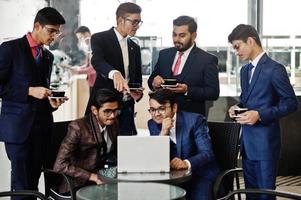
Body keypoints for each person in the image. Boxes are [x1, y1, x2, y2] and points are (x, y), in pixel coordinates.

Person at [0, 7, 66, 198]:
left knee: (35, 181)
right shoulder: (10, 49)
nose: (54, 36)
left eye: (57, 32)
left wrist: (51, 103)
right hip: (18, 129)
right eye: (51, 31)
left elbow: (41, 93)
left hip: (42, 128)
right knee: (21, 183)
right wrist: (29, 91)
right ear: (37, 26)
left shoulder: (48, 56)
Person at [227, 24, 298, 200]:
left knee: (266, 196)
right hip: (247, 145)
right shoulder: (244, 71)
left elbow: (291, 103)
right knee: (250, 195)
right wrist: (236, 107)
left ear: (250, 41)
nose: (236, 52)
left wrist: (260, 114)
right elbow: (246, 100)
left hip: (266, 145)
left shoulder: (275, 69)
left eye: (237, 46)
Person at [147, 89, 220, 200]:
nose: (156, 114)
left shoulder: (195, 120)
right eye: (152, 110)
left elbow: (207, 153)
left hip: (200, 173)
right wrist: (163, 134)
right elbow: (157, 158)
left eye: (161, 109)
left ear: (174, 108)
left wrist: (186, 163)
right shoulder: (152, 124)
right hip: (173, 176)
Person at [86, 2, 143, 135]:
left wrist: (137, 92)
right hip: (105, 107)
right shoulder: (100, 38)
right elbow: (97, 60)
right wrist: (114, 73)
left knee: (126, 150)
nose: (137, 26)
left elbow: (137, 79)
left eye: (139, 22)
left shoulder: (135, 47)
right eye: (134, 22)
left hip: (127, 109)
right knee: (99, 149)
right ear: (120, 20)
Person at [148, 15, 219, 116]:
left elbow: (213, 92)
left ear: (193, 35)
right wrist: (154, 83)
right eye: (174, 35)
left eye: (182, 36)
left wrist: (188, 90)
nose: (176, 39)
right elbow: (151, 80)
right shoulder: (164, 55)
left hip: (192, 121)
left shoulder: (207, 59)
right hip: (163, 119)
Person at [53, 88, 120, 193]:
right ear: (94, 110)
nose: (113, 115)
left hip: (102, 179)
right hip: (77, 184)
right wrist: (93, 177)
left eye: (115, 111)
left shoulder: (113, 124)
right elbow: (59, 165)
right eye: (107, 111)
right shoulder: (78, 127)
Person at [73, 26, 96, 90]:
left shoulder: (94, 46)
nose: (80, 40)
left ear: (87, 34)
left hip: (96, 83)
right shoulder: (89, 46)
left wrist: (78, 72)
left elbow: (94, 68)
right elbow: (88, 65)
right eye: (79, 39)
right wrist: (78, 68)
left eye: (80, 38)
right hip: (91, 82)